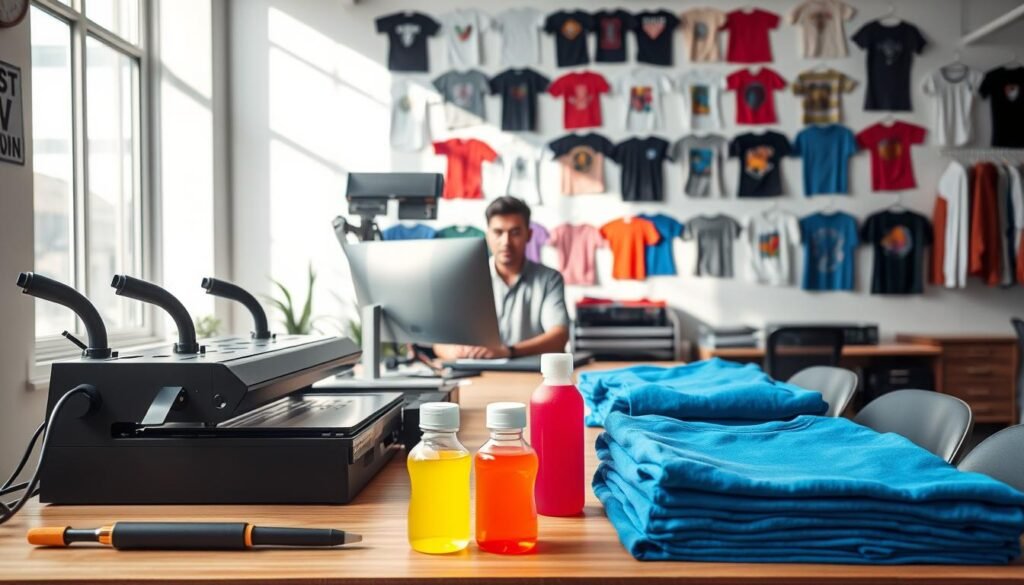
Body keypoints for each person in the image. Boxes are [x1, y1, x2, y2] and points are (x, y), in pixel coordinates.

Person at [434, 196, 570, 360]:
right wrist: (454, 353)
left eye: (515, 233)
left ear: (529, 234)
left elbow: (559, 337)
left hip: (530, 376)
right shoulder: (466, 279)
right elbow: (440, 341)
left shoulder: (549, 279)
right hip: (478, 375)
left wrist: (509, 351)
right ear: (487, 235)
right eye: (498, 232)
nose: (506, 242)